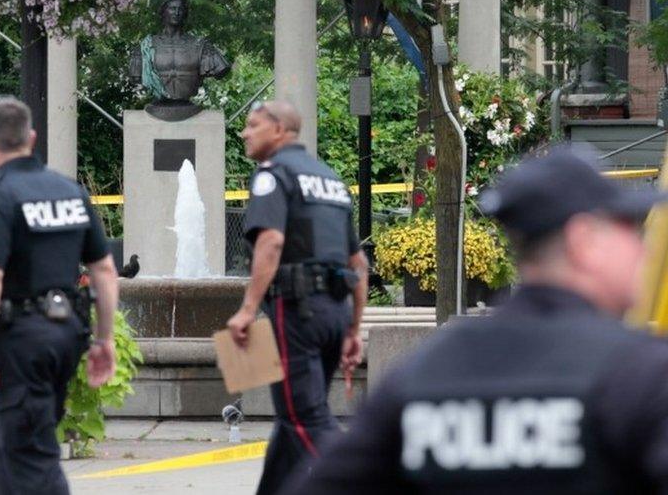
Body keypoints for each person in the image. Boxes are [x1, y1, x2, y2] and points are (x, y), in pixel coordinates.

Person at [283, 146, 668, 495]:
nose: (644, 248)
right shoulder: (641, 373)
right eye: (629, 228)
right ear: (585, 241)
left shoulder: (427, 371)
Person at [0, 95, 119, 495]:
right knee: (16, 448)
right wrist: (104, 339)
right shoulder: (70, 191)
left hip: (21, 339)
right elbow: (103, 270)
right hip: (66, 334)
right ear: (32, 137)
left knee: (31, 454)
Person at [226, 100, 369, 495]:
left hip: (296, 312)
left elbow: (271, 242)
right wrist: (353, 328)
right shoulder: (332, 181)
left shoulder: (274, 174)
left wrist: (247, 310)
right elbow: (359, 263)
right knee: (293, 421)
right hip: (333, 314)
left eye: (253, 125)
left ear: (279, 130)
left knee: (304, 419)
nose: (245, 133)